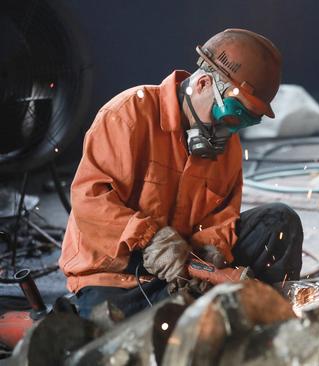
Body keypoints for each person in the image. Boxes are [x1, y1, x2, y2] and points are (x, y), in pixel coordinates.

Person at [58, 29, 303, 318]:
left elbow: (222, 217)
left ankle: (264, 317)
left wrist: (212, 254)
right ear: (202, 84)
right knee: (124, 340)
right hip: (119, 276)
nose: (230, 131)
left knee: (280, 221)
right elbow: (91, 202)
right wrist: (150, 239)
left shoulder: (228, 149)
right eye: (232, 115)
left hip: (186, 268)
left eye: (245, 122)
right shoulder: (128, 115)